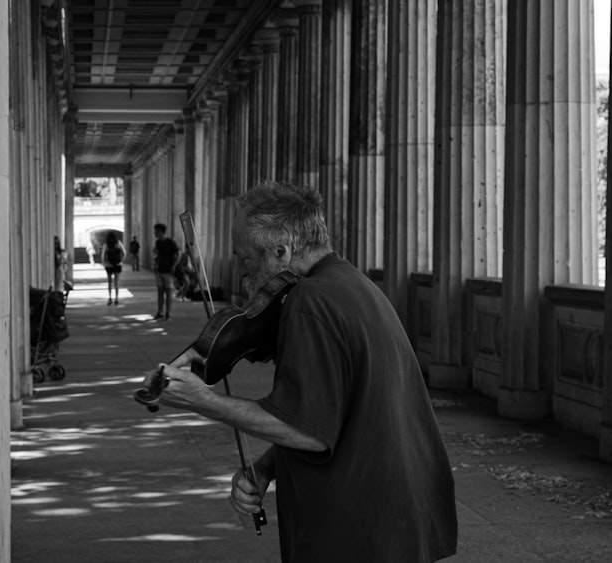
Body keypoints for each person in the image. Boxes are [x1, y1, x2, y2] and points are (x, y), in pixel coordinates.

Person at [141, 182, 458, 562]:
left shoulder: (310, 302)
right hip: (394, 519)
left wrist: (201, 399)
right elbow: (334, 412)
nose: (244, 277)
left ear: (281, 251)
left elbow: (308, 432)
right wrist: (266, 467)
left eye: (245, 261)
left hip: (358, 530)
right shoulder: (352, 284)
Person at [152, 223, 180, 320]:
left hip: (168, 271)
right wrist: (155, 264)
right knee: (160, 292)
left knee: (168, 292)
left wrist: (174, 266)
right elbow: (156, 254)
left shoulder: (170, 242)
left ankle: (168, 313)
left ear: (160, 231)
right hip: (159, 270)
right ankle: (160, 312)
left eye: (155, 231)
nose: (154, 233)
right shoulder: (157, 243)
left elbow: (178, 254)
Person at [101, 231, 126, 305]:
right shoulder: (118, 243)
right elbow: (124, 253)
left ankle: (110, 298)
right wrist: (121, 261)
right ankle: (117, 298)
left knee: (109, 282)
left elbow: (103, 255)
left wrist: (104, 263)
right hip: (117, 265)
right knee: (116, 282)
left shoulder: (106, 245)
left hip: (109, 265)